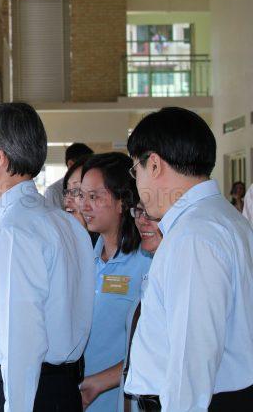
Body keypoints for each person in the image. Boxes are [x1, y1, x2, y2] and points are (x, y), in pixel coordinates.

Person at [0, 102, 95, 412]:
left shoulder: (13, 231)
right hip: (61, 387)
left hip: (29, 394)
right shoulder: (65, 223)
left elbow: (21, 340)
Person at [124, 107, 253, 411]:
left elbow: (192, 359)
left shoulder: (195, 235)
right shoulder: (222, 218)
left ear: (154, 164)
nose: (138, 183)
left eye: (136, 170)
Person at [76, 153, 151, 412]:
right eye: (81, 195)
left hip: (122, 401)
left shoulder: (147, 261)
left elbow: (158, 344)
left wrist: (103, 380)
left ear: (122, 202)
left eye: (95, 197)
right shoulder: (87, 259)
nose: (84, 206)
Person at [118, 202, 163, 412]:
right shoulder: (153, 272)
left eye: (153, 214)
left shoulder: (182, 276)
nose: (143, 220)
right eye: (139, 211)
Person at [44, 142, 94, 209]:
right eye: (86, 165)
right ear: (70, 164)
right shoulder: (54, 191)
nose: (89, 169)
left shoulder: (91, 186)